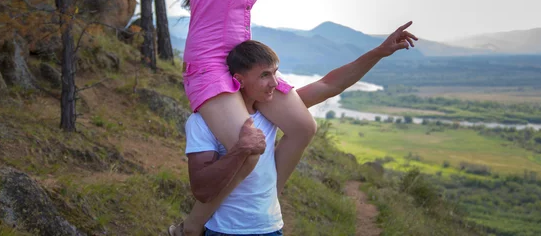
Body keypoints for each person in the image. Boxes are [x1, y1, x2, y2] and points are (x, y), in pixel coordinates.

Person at [94, 0, 336, 235]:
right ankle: (190, 228)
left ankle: (271, 195)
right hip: (208, 65)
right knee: (248, 151)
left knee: (303, 127)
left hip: (245, 63)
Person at [177, 21, 417, 235]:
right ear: (239, 80)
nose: (274, 83)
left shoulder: (271, 113)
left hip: (272, 228)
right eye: (264, 75)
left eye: (275, 73)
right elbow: (201, 188)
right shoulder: (202, 122)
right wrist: (240, 150)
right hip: (225, 231)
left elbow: (329, 84)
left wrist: (379, 52)